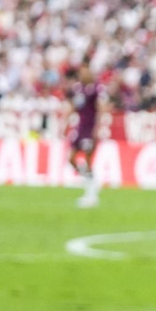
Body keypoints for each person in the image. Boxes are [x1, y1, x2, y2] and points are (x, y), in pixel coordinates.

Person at [69, 66, 104, 209]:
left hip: (89, 129)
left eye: (85, 73)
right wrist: (66, 122)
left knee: (88, 158)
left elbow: (100, 108)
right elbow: (74, 107)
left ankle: (91, 194)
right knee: (71, 158)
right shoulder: (78, 89)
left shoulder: (95, 89)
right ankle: (91, 181)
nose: (83, 76)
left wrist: (98, 127)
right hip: (79, 128)